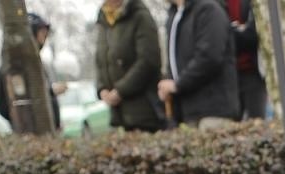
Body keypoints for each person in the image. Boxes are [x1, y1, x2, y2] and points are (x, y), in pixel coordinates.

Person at [158, 0, 238, 128]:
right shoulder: (174, 15)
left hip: (213, 110)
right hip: (187, 111)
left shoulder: (209, 9)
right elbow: (174, 59)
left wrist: (177, 85)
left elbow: (210, 57)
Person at [95, 0, 163, 132]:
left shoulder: (139, 15)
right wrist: (101, 87)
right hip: (118, 115)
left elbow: (148, 60)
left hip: (144, 113)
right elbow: (101, 61)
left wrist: (121, 90)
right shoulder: (104, 20)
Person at [0, 13, 64, 130]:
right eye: (41, 33)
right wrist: (51, 91)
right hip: (31, 129)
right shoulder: (17, 66)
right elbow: (24, 98)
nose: (44, 38)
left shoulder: (36, 63)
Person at [222, 0, 265, 120]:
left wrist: (231, 32)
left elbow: (253, 36)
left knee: (257, 122)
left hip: (253, 73)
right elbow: (219, 38)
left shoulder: (254, 3)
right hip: (227, 77)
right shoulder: (216, 4)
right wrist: (237, 29)